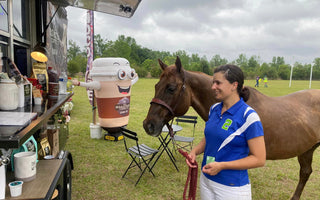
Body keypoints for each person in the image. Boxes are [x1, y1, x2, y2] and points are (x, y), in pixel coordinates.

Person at [186, 64, 266, 200]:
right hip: (206, 180)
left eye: (218, 83)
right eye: (213, 83)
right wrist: (195, 151)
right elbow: (209, 139)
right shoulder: (214, 109)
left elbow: (259, 159)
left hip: (231, 188)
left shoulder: (249, 116)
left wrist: (222, 166)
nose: (213, 87)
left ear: (234, 85)